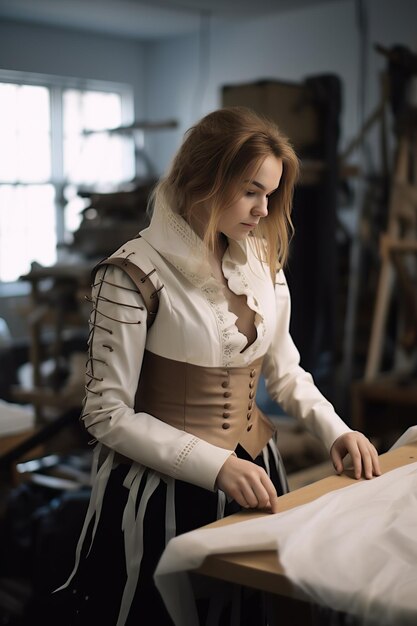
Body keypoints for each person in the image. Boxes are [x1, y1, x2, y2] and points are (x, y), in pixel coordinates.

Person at [55, 106, 381, 626]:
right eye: (251, 190)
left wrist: (335, 431)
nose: (262, 209)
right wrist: (216, 466)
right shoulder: (131, 273)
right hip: (163, 492)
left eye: (270, 194)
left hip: (256, 472)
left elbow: (286, 371)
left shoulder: (261, 266)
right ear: (204, 178)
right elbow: (106, 414)